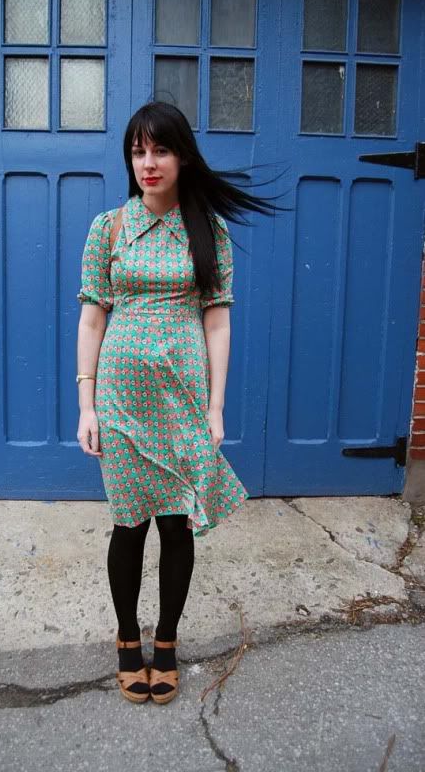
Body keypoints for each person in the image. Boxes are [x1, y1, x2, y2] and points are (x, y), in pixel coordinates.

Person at [76, 101, 284, 705]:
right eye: (138, 151)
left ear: (183, 157)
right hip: (120, 397)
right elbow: (92, 318)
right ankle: (126, 638)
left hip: (183, 397)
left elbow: (217, 321)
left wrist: (216, 407)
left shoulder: (207, 230)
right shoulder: (108, 228)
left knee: (176, 522)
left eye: (160, 150)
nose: (148, 162)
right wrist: (86, 403)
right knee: (127, 522)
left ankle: (165, 639)